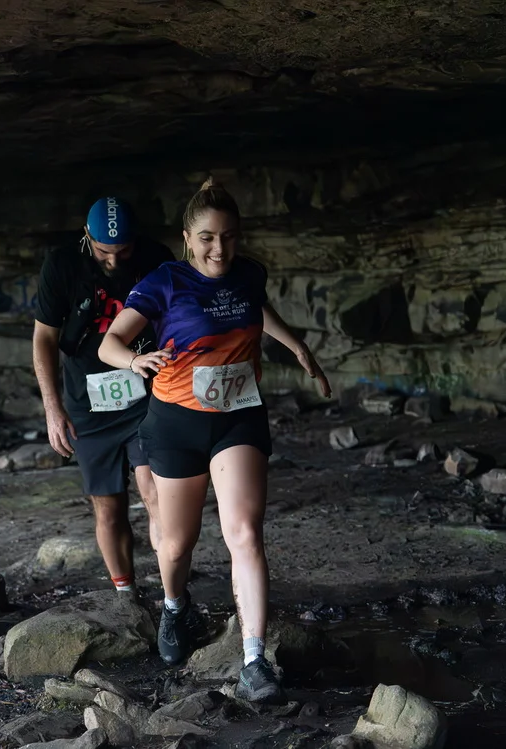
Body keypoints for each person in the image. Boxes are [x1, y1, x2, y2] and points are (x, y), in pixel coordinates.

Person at [98, 178, 331, 703]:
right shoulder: (165, 282)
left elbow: (254, 307)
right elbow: (109, 343)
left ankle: (254, 660)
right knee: (176, 543)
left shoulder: (249, 273)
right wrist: (134, 360)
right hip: (176, 424)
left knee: (244, 533)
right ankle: (174, 606)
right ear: (187, 238)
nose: (219, 249)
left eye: (228, 237)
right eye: (207, 238)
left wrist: (297, 346)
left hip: (237, 418)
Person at [32, 196, 176, 596]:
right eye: (103, 252)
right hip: (88, 401)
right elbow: (44, 338)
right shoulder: (62, 265)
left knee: (155, 493)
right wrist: (52, 408)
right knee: (108, 506)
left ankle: (173, 594)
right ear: (87, 237)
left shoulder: (157, 259)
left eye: (123, 252)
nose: (113, 261)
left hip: (147, 394)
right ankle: (126, 596)